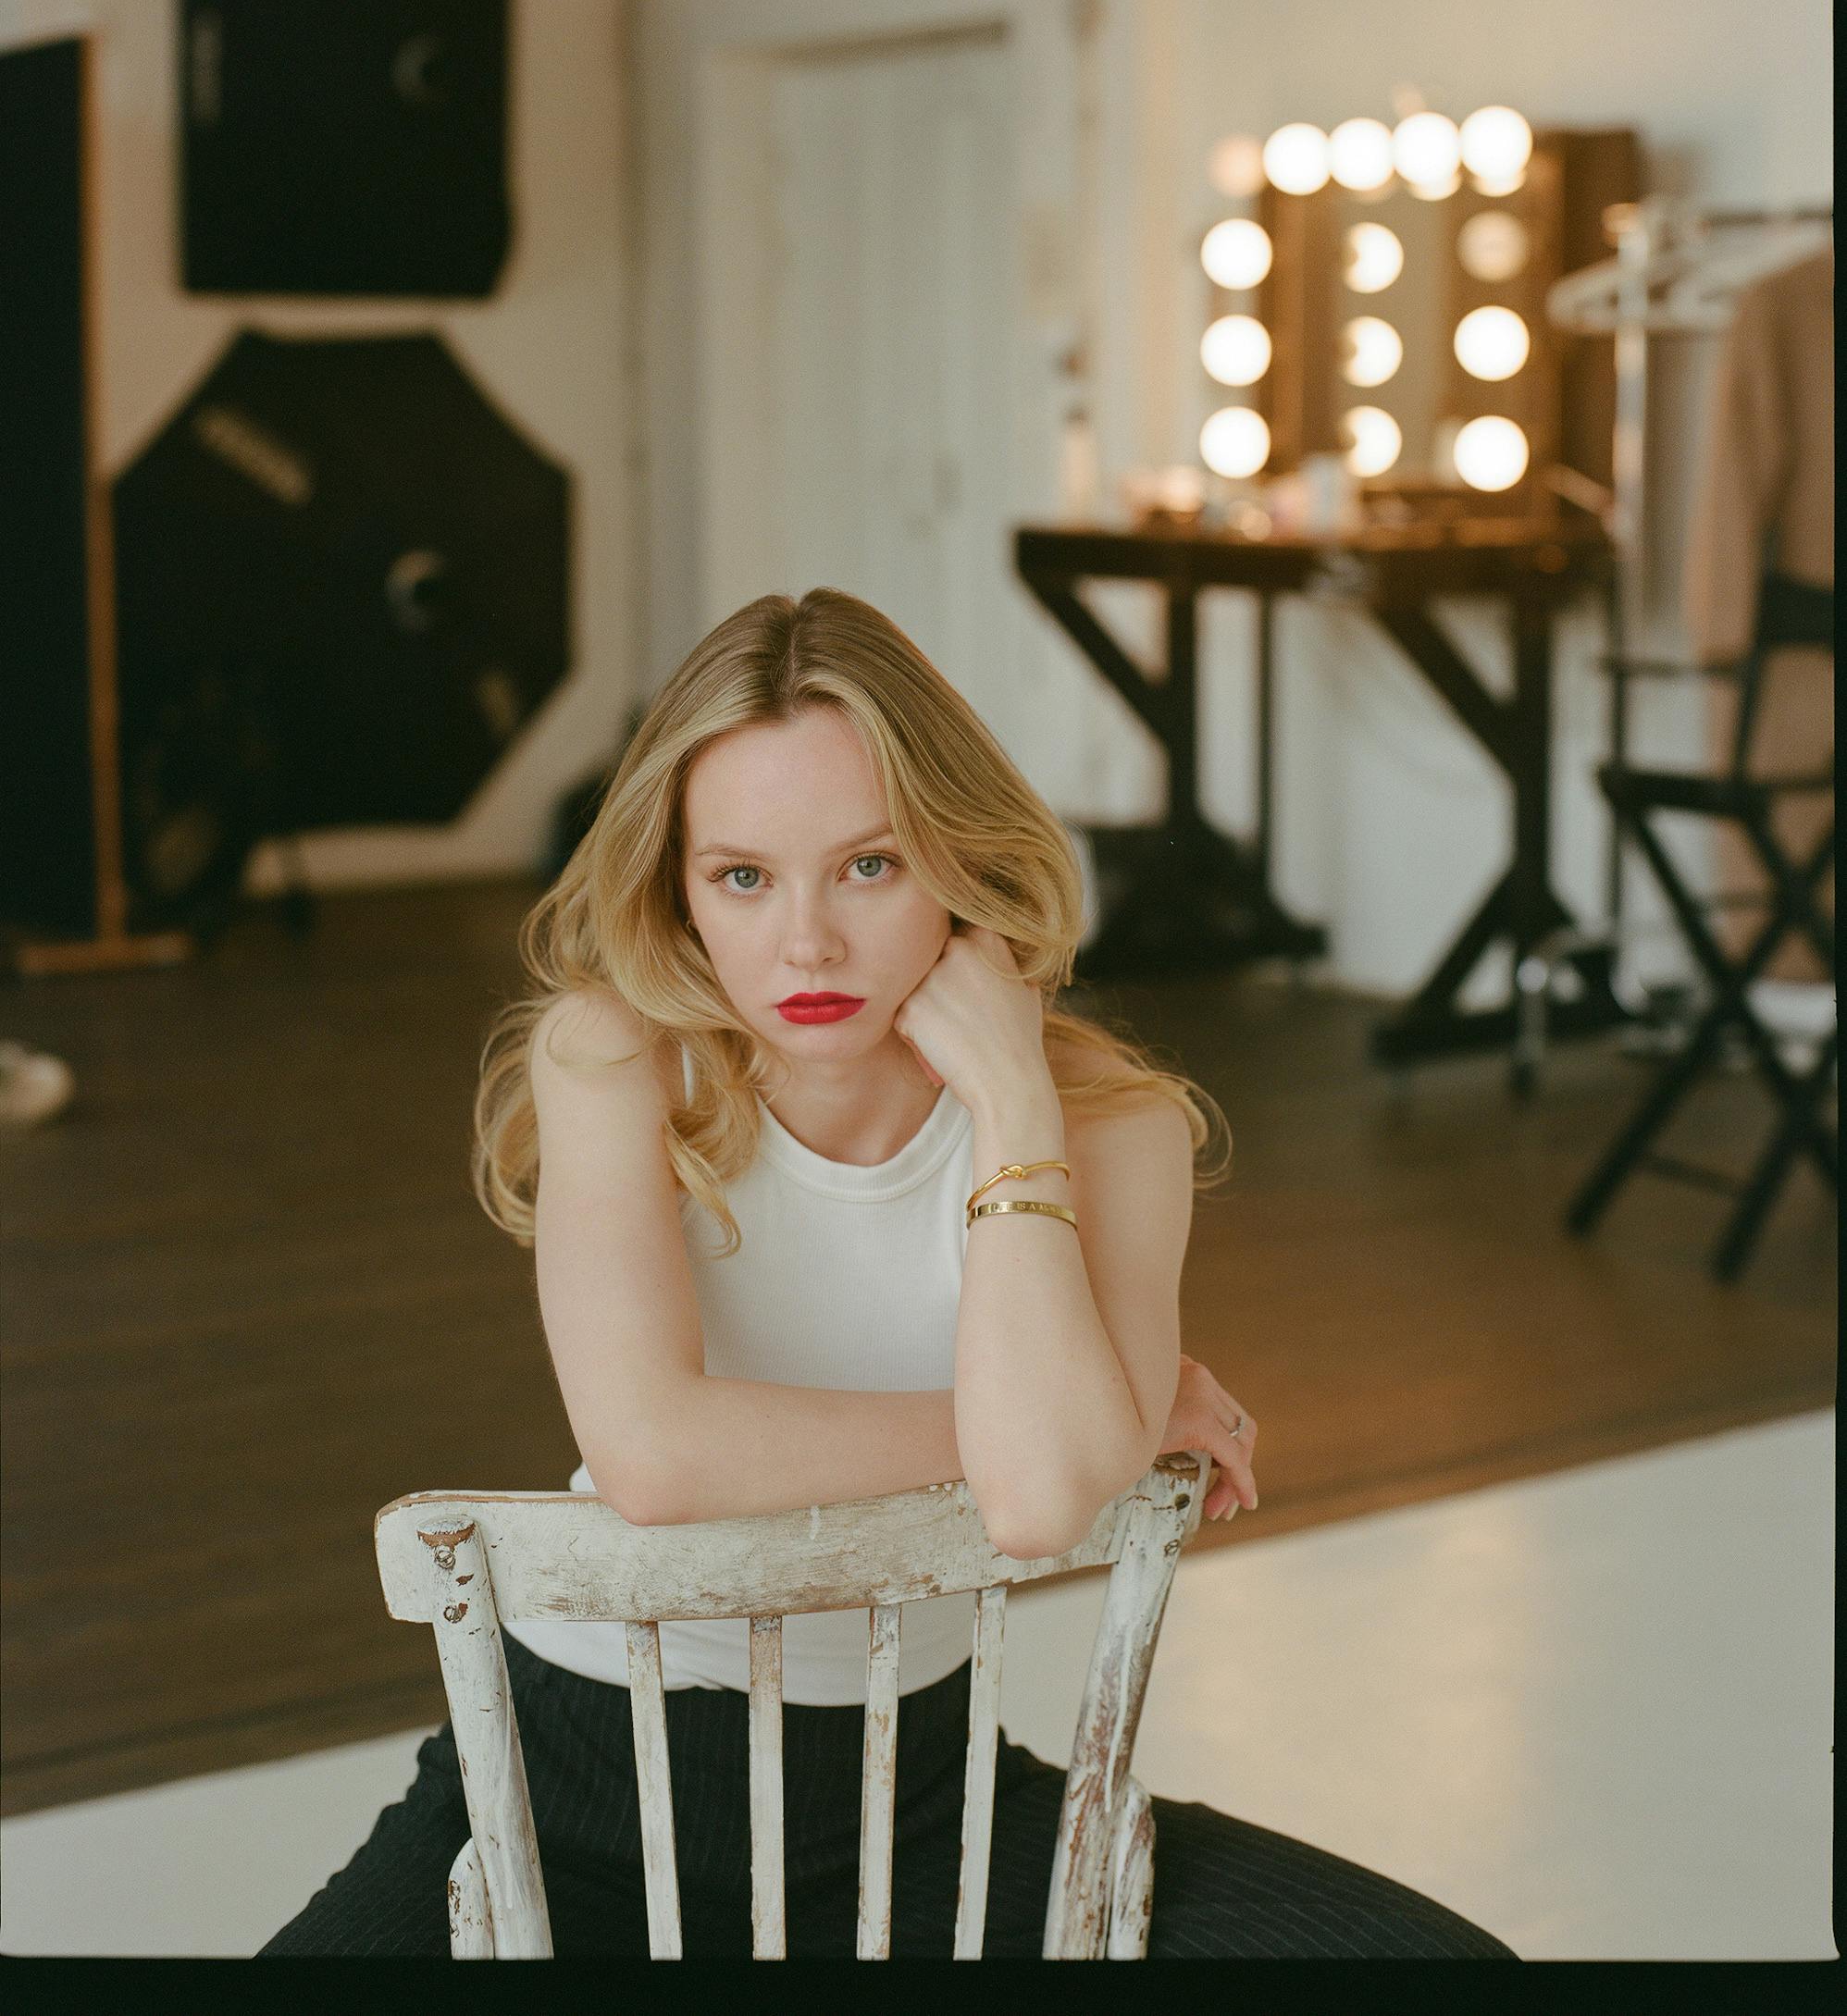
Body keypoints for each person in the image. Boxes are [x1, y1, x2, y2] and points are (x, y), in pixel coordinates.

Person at [260, 587, 1515, 1960]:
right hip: (570, 1798)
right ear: (679, 893)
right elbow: (654, 1456)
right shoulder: (615, 1058)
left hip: (918, 1804)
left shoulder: (1115, 1133)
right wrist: (1096, 1414)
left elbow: (1040, 1500)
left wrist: (1015, 1104)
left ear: (962, 865)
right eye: (743, 877)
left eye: (869, 866)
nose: (807, 943)